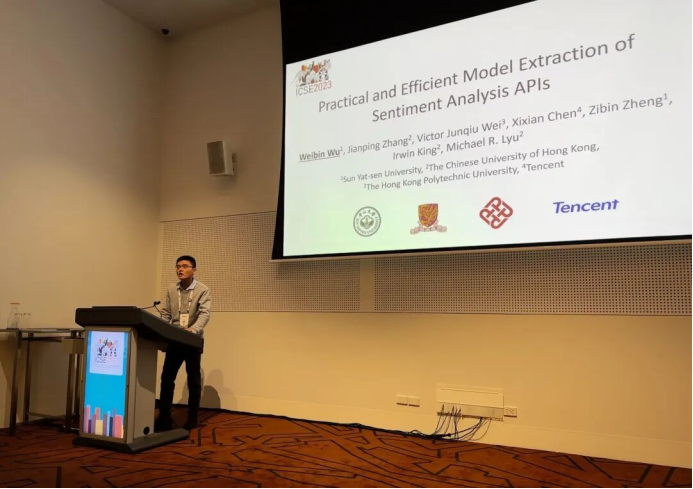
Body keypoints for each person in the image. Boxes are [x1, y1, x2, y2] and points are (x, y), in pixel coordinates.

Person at [155, 255, 211, 431]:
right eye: (178, 266)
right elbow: (166, 313)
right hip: (174, 339)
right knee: (167, 378)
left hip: (192, 340)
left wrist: (193, 330)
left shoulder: (202, 290)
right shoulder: (172, 289)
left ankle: (192, 417)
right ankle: (164, 417)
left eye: (185, 266)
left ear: (194, 270)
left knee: (193, 380)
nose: (180, 269)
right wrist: (162, 330)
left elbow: (204, 313)